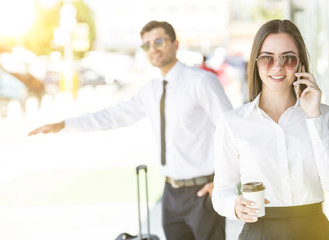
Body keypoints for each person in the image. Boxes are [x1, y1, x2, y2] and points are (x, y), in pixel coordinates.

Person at [28, 20, 232, 240]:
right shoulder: (151, 91)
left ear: (175, 43)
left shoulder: (202, 82)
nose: (153, 49)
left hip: (203, 192)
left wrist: (222, 182)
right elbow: (114, 116)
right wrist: (65, 124)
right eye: (147, 45)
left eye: (159, 41)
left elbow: (231, 131)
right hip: (170, 194)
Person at [211, 19, 329, 240]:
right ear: (256, 63)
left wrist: (314, 116)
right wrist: (235, 205)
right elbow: (221, 192)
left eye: (288, 58)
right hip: (259, 231)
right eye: (267, 58)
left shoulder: (324, 116)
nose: (277, 67)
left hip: (314, 230)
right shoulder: (232, 122)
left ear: (300, 65)